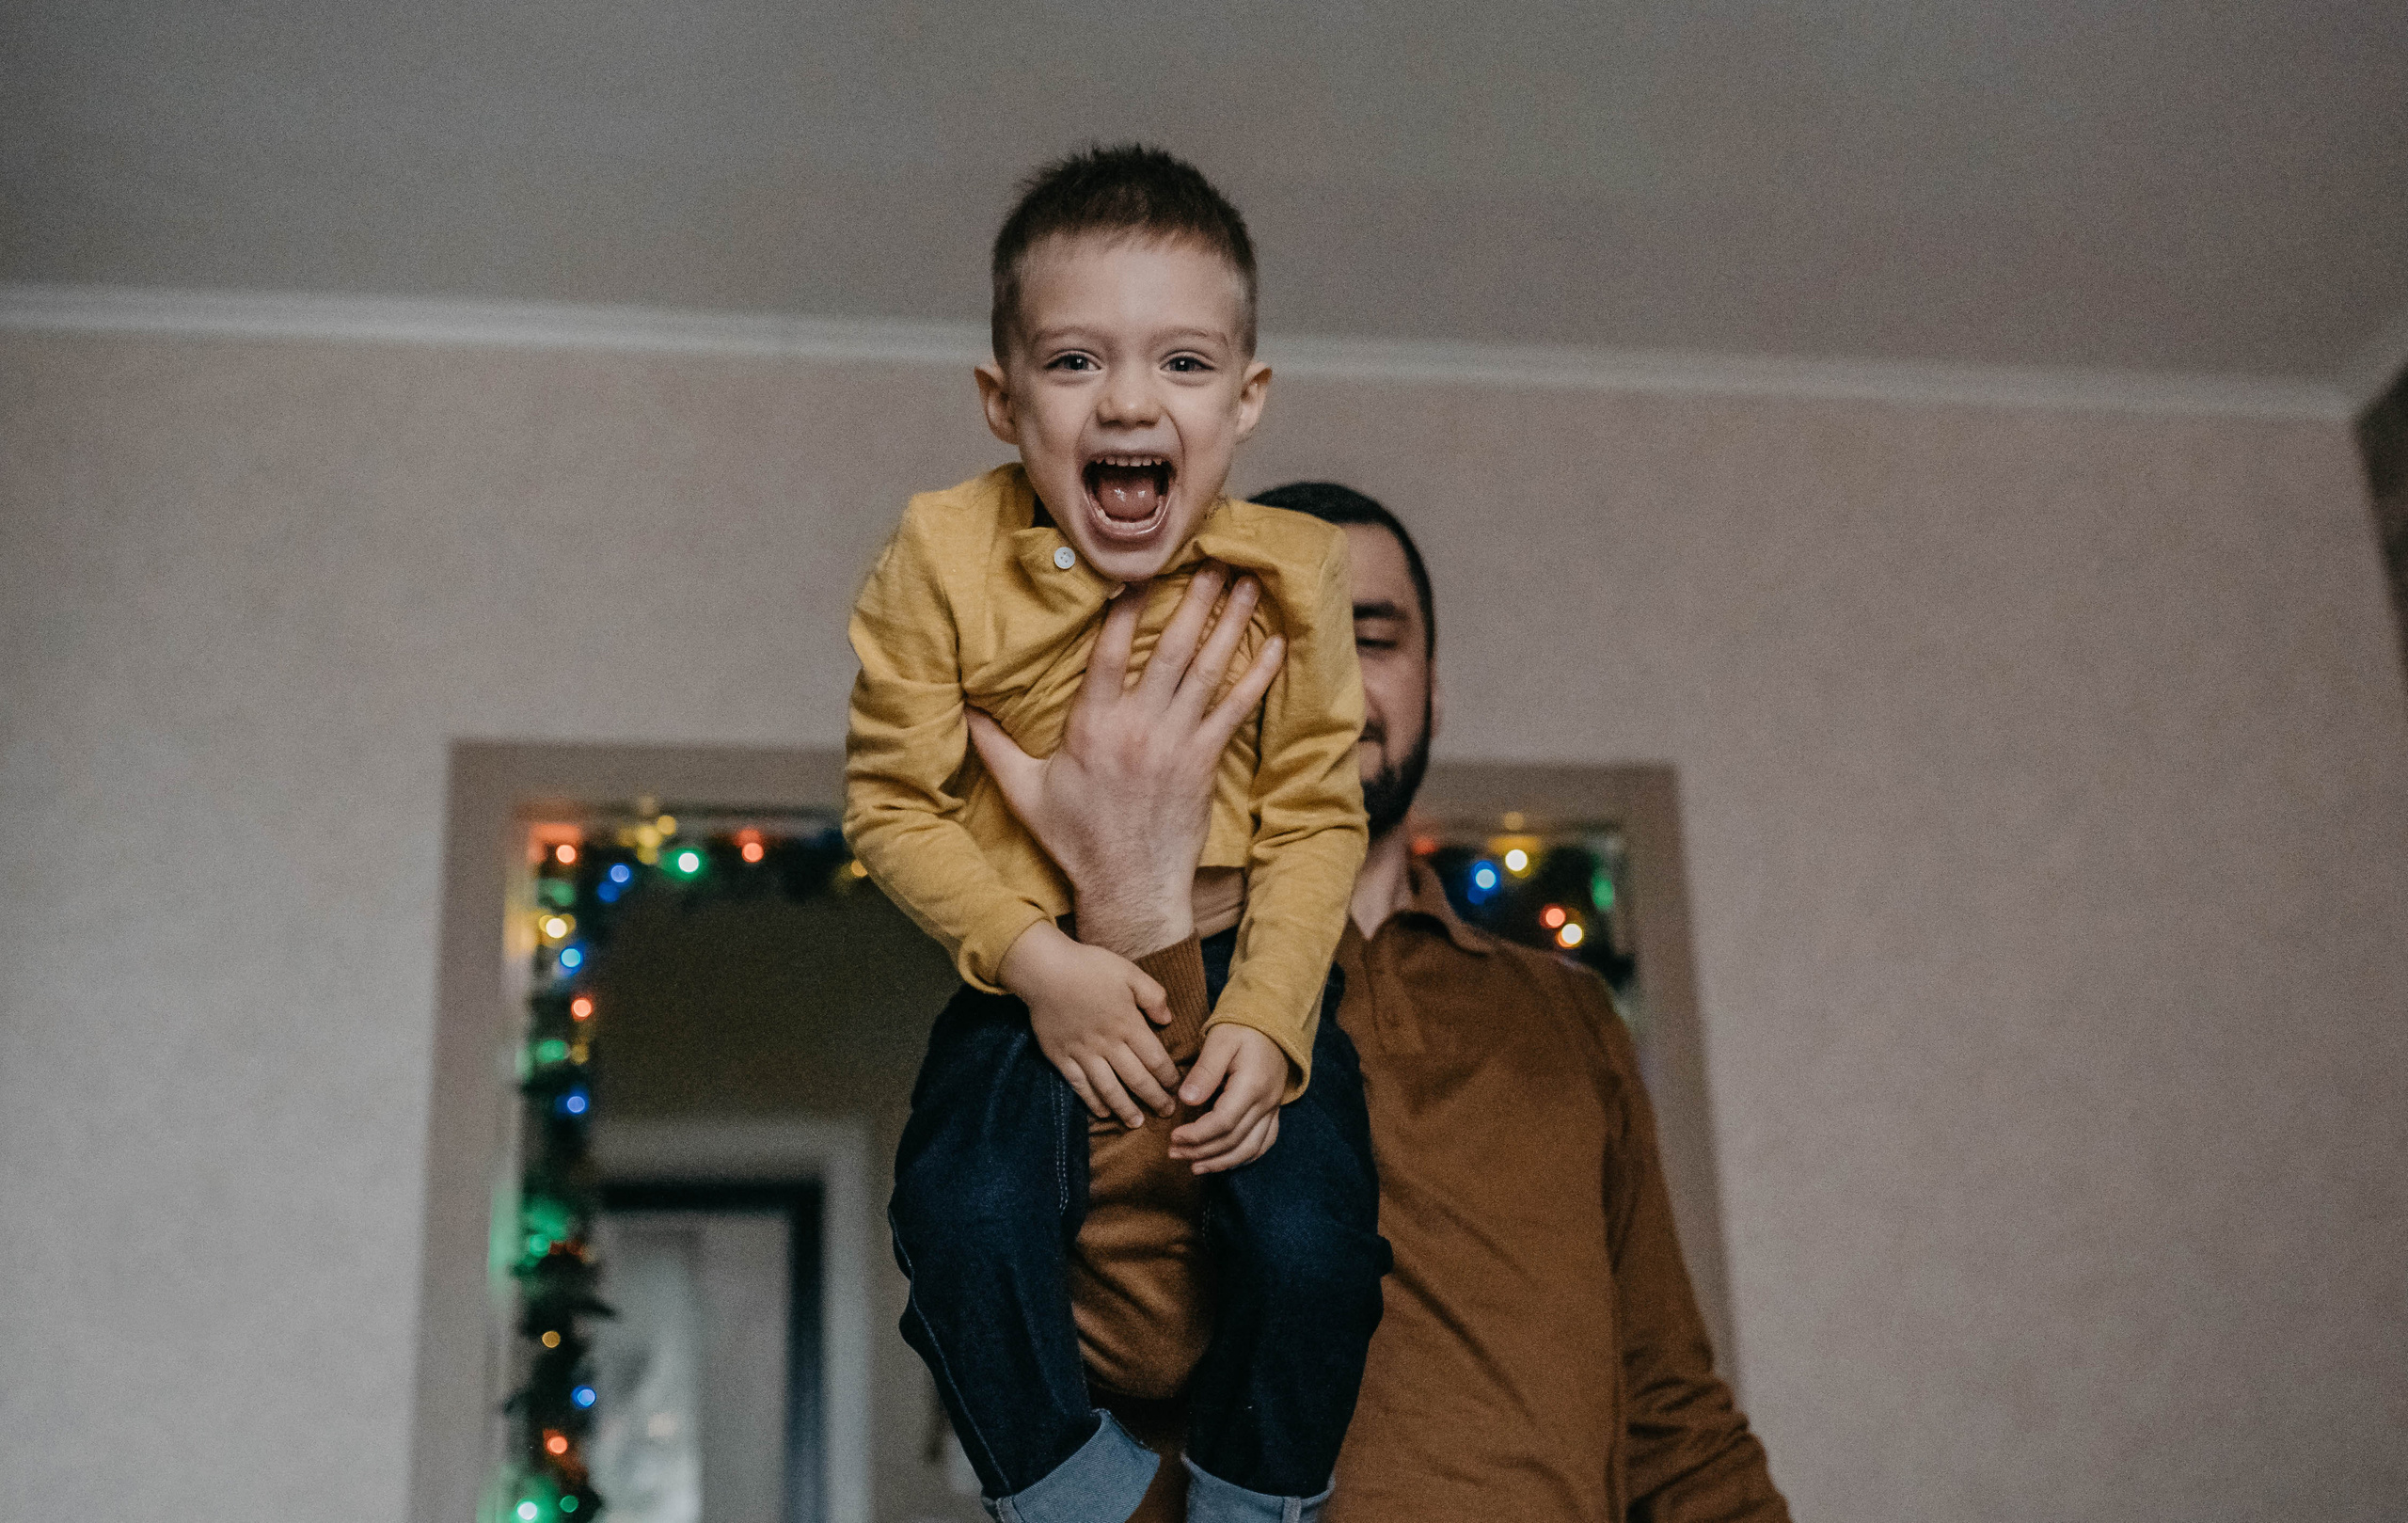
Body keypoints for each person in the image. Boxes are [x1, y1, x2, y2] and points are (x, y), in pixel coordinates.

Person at [971, 483, 1793, 1521]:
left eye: (1370, 635)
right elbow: (1126, 1344)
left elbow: (1672, 1414)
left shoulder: (1566, 1018)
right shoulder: (1094, 984)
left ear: (1433, 690)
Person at [845, 146, 1389, 1523]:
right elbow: (892, 802)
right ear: (1002, 399)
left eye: (1185, 364)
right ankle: (1053, 1483)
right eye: (1077, 361)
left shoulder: (1298, 569)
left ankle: (1258, 1489)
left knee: (1316, 1242)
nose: (1132, 398)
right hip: (1032, 973)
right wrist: (1043, 963)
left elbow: (1323, 810)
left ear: (1249, 400)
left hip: (1242, 955)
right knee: (958, 1216)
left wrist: (1268, 1018)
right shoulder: (938, 554)